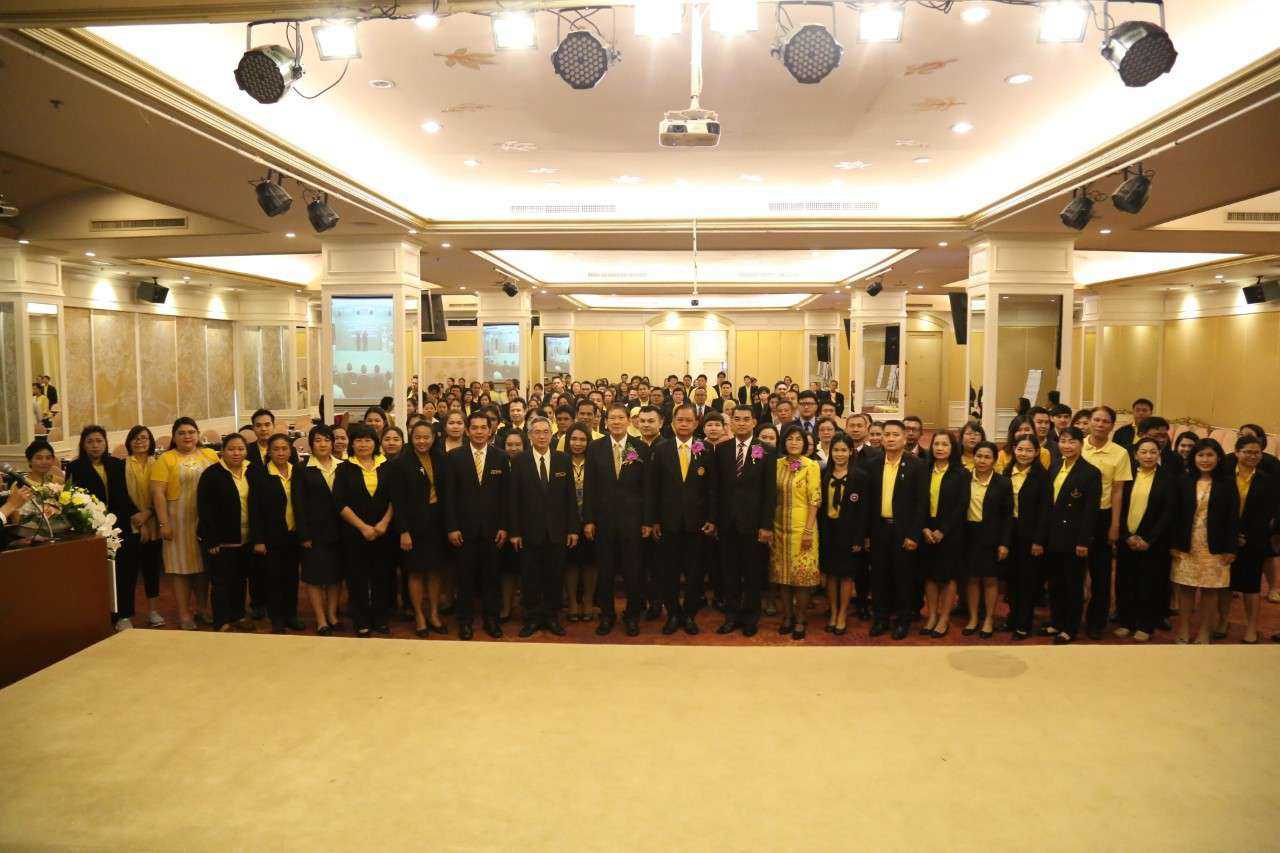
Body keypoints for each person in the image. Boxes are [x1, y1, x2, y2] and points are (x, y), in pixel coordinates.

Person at [582, 404, 653, 637]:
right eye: (612, 418)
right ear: (606, 421)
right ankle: (607, 615)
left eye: (621, 418)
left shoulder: (640, 448)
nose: (616, 422)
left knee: (633, 571)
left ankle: (631, 615)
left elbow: (647, 488)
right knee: (605, 572)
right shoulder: (595, 448)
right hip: (603, 521)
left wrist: (647, 521)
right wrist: (589, 520)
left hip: (633, 521)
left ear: (628, 421)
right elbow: (590, 486)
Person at [648, 404, 718, 636]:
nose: (684, 424)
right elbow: (653, 489)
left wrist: (712, 518)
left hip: (697, 524)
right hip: (668, 524)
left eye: (689, 420)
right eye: (680, 420)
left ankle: (689, 615)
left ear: (696, 423)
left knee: (695, 573)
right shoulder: (662, 449)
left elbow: (712, 489)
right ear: (672, 423)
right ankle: (673, 614)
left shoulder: (705, 449)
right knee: (669, 572)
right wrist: (654, 520)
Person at [507, 416, 578, 638]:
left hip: (557, 531)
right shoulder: (520, 461)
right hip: (529, 532)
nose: (541, 436)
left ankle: (551, 616)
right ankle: (532, 617)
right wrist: (514, 532)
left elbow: (570, 497)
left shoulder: (563, 459)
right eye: (536, 432)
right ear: (529, 435)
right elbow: (513, 499)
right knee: (530, 577)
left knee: (554, 576)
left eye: (545, 432)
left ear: (551, 434)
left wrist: (573, 529)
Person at [444, 411, 510, 640]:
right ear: (467, 430)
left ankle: (492, 619)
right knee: (465, 579)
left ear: (490, 430)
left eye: (484, 427)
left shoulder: (501, 457)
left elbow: (506, 497)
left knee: (492, 577)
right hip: (463, 531)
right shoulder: (454, 457)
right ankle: (465, 621)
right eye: (475, 427)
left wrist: (504, 526)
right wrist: (452, 527)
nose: (479, 432)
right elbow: (449, 496)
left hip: (493, 530)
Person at [66, 425, 138, 630]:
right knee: (97, 573)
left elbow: (124, 494)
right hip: (92, 528)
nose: (95, 445)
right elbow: (71, 498)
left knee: (124, 571)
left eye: (99, 441)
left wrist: (132, 514)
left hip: (119, 525)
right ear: (83, 445)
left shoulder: (116, 464)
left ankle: (124, 615)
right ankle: (100, 614)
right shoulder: (76, 467)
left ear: (105, 443)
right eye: (90, 442)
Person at [151, 418, 219, 630]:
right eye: (181, 433)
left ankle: (202, 609)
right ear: (174, 437)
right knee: (180, 569)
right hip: (177, 520)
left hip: (204, 519)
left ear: (198, 434)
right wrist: (164, 523)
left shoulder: (210, 455)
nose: (187, 436)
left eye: (191, 432)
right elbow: (158, 493)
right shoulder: (166, 459)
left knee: (202, 567)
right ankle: (184, 613)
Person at [714, 406, 776, 637]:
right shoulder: (721, 449)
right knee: (729, 573)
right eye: (737, 419)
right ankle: (731, 616)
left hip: (754, 523)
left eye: (745, 419)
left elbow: (770, 492)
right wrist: (715, 520)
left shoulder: (766, 450)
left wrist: (766, 525)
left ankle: (751, 617)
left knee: (752, 573)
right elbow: (715, 488)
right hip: (727, 522)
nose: (741, 423)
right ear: (731, 423)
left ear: (754, 422)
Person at [1170, 438, 1238, 644]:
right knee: (1186, 588)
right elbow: (1174, 515)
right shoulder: (1183, 480)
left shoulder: (1227, 483)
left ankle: (1204, 632)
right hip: (1186, 544)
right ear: (1194, 457)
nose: (1205, 460)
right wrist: (1173, 544)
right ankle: (1183, 629)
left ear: (1218, 458)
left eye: (1210, 455)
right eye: (1201, 455)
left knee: (1210, 590)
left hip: (1215, 546)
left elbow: (1233, 518)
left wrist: (1231, 548)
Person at [865, 421, 928, 640]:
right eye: (887, 435)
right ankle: (880, 618)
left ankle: (903, 620)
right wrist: (866, 534)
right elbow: (867, 503)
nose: (890, 439)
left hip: (904, 531)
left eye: (895, 435)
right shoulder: (872, 464)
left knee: (903, 577)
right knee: (879, 576)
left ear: (904, 438)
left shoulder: (917, 465)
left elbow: (921, 504)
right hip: (879, 529)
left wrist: (914, 534)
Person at [1041, 428, 1102, 645]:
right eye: (1063, 441)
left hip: (1074, 538)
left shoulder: (1090, 472)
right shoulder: (1055, 465)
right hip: (1053, 534)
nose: (1066, 446)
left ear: (1081, 444)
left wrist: (1083, 541)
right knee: (1055, 582)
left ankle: (1070, 627)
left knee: (1073, 584)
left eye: (1072, 442)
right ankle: (1056, 621)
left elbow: (1090, 511)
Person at [333, 423, 395, 637]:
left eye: (368, 440)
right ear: (351, 444)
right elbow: (340, 503)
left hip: (383, 532)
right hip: (354, 533)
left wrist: (384, 523)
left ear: (375, 443)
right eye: (358, 440)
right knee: (356, 577)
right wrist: (362, 527)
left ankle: (380, 618)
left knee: (382, 576)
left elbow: (395, 499)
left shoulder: (387, 466)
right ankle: (361, 619)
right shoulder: (344, 469)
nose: (363, 444)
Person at [389, 421, 448, 637]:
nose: (422, 441)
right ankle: (420, 616)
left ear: (433, 438)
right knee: (415, 572)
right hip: (413, 526)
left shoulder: (441, 459)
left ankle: (433, 613)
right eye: (417, 437)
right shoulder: (401, 463)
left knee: (435, 571)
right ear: (411, 438)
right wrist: (403, 531)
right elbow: (397, 501)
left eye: (426, 437)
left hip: (437, 524)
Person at [1114, 437, 1175, 643]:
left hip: (1153, 543)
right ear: (1135, 454)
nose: (1148, 456)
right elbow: (1119, 506)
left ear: (1159, 454)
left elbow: (1168, 513)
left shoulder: (1168, 478)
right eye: (1143, 452)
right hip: (1127, 539)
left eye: (1153, 452)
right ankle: (1126, 621)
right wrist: (1126, 535)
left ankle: (1145, 624)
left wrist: (1149, 539)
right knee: (1125, 582)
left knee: (1150, 584)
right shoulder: (1127, 476)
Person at [1080, 406, 1133, 640]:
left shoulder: (1120, 453)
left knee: (1100, 574)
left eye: (1105, 421)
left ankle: (1096, 622)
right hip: (1075, 516)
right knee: (1071, 572)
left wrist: (1115, 525)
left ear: (1112, 426)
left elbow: (1118, 491)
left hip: (1102, 516)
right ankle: (1068, 618)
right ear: (1089, 421)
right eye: (1096, 420)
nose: (1100, 425)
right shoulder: (1077, 446)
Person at [1216, 434, 1273, 643]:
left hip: (1253, 540)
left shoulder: (1267, 480)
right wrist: (1231, 535)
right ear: (1237, 452)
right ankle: (1223, 621)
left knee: (1251, 586)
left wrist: (1244, 536)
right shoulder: (1223, 476)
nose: (1252, 456)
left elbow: (1266, 514)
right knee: (1225, 585)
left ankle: (1251, 628)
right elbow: (1218, 509)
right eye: (1247, 452)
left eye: (1257, 453)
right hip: (1225, 539)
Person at [196, 434, 254, 632]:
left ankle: (238, 615)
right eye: (231, 449)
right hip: (221, 540)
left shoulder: (252, 470)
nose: (236, 453)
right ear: (223, 451)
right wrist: (211, 540)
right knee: (221, 582)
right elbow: (205, 509)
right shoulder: (211, 474)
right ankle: (221, 621)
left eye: (240, 449)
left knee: (240, 579)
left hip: (246, 538)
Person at [770, 424, 822, 640]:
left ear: (805, 443)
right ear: (784, 442)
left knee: (801, 578)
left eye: (798, 439)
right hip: (779, 527)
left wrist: (808, 530)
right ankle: (787, 616)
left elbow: (815, 499)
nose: (793, 442)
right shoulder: (777, 464)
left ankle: (800, 619)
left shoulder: (811, 466)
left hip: (803, 528)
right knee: (782, 576)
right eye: (789, 438)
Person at [249, 434, 302, 634]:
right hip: (271, 537)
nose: (281, 453)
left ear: (291, 451)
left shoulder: (298, 471)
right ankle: (277, 618)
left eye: (284, 448)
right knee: (273, 579)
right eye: (276, 449)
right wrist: (258, 539)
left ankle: (291, 615)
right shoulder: (260, 475)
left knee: (292, 578)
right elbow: (255, 509)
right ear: (269, 452)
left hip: (294, 534)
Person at [295, 425, 345, 635]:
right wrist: (304, 534)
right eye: (318, 440)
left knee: (335, 576)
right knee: (314, 577)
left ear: (333, 443)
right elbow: (298, 504)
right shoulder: (302, 469)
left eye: (326, 440)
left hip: (340, 531)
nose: (323, 444)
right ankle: (321, 620)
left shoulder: (343, 466)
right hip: (313, 533)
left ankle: (332, 614)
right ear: (311, 444)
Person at [961, 442, 1013, 639]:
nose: (982, 460)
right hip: (968, 535)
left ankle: (989, 618)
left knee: (990, 579)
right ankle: (973, 618)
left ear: (994, 460)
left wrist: (1004, 543)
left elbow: (1008, 516)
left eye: (987, 457)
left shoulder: (1003, 483)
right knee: (972, 578)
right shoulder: (964, 479)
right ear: (973, 457)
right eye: (979, 456)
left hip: (992, 536)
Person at [919, 430, 968, 639]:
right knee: (929, 576)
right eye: (936, 444)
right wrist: (924, 528)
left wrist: (943, 530)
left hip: (950, 531)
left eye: (945, 444)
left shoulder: (961, 473)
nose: (940, 448)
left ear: (953, 448)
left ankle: (944, 618)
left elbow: (961, 505)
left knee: (948, 577)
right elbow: (917, 501)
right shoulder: (924, 469)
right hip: (926, 529)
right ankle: (932, 615)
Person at [819, 435, 869, 636]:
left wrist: (859, 538)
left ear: (851, 452)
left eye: (843, 450)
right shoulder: (824, 474)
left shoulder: (860, 477)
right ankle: (833, 611)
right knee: (831, 574)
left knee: (847, 575)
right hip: (828, 530)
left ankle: (842, 614)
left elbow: (864, 511)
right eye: (836, 450)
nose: (839, 454)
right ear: (830, 452)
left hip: (850, 532)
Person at [1004, 435, 1050, 640]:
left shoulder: (1042, 476)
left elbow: (1045, 511)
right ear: (1014, 449)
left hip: (1030, 536)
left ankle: (1023, 623)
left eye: (1029, 450)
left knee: (1027, 581)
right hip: (1009, 533)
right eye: (1020, 449)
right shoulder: (1006, 472)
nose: (1024, 454)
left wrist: (1039, 540)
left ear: (1037, 452)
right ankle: (1012, 617)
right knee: (1011, 578)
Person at [118, 426, 164, 628]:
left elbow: (163, 492)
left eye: (144, 438)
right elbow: (121, 495)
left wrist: (148, 514)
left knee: (152, 569)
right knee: (128, 571)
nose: (140, 442)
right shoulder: (121, 465)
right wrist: (138, 518)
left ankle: (153, 611)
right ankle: (125, 615)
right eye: (135, 438)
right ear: (129, 442)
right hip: (130, 523)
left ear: (151, 441)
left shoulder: (160, 464)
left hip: (154, 522)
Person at [561, 423, 598, 624]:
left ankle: (588, 601)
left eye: (582, 439)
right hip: (567, 521)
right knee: (571, 563)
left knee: (591, 562)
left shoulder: (595, 462)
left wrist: (591, 519)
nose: (578, 443)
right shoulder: (560, 461)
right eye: (574, 439)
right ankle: (573, 602)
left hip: (591, 520)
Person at [496, 430, 528, 621]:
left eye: (518, 444)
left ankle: (526, 606)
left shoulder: (529, 463)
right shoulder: (498, 463)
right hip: (501, 524)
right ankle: (507, 607)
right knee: (507, 570)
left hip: (525, 525)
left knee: (526, 569)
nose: (513, 448)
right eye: (509, 444)